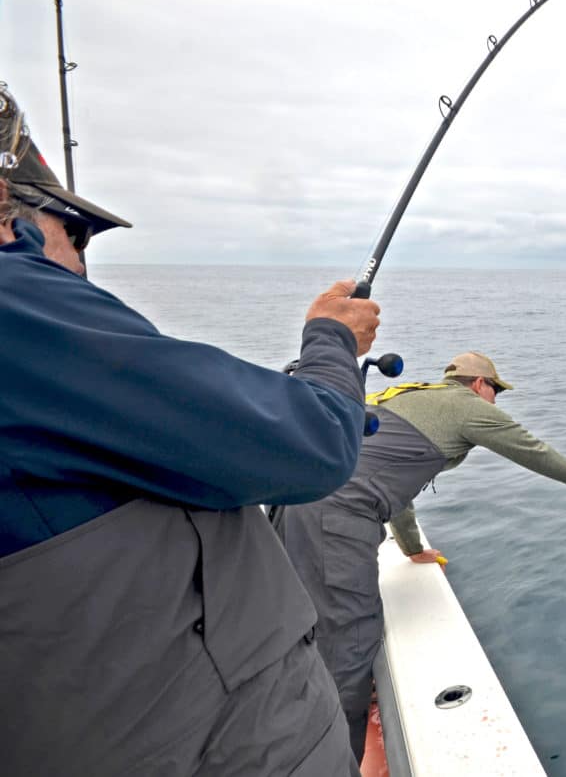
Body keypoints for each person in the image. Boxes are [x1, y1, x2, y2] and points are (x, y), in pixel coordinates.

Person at [0, 81, 381, 776]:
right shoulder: (19, 317)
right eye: (70, 230)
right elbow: (316, 444)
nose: (82, 260)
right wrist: (331, 341)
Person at [275, 350, 566, 763]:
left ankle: (287, 713)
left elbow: (391, 483)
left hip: (292, 498)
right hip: (336, 516)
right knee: (352, 636)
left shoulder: (407, 398)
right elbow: (530, 448)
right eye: (495, 391)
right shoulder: (467, 406)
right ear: (479, 384)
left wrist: (413, 548)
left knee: (301, 614)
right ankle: (332, 763)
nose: (495, 401)